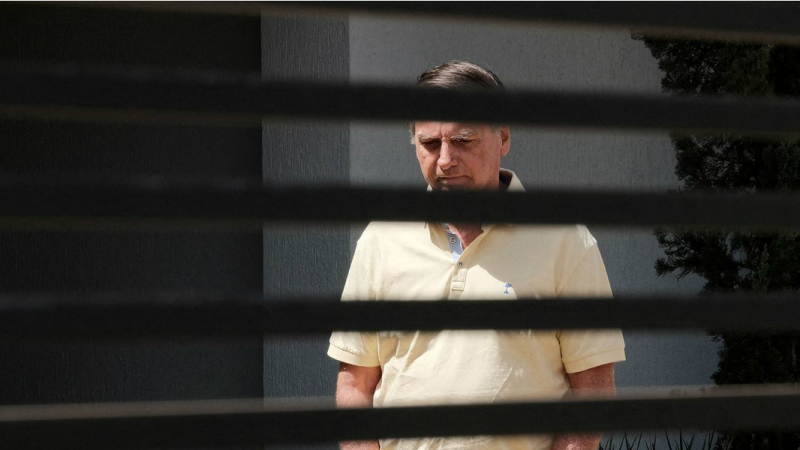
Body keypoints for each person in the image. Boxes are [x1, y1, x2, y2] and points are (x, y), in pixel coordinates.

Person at [327, 60, 626, 450]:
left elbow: (593, 391)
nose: (445, 160)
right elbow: (355, 385)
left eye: (463, 140)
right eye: (429, 144)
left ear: (504, 137)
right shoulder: (382, 239)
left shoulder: (564, 240)